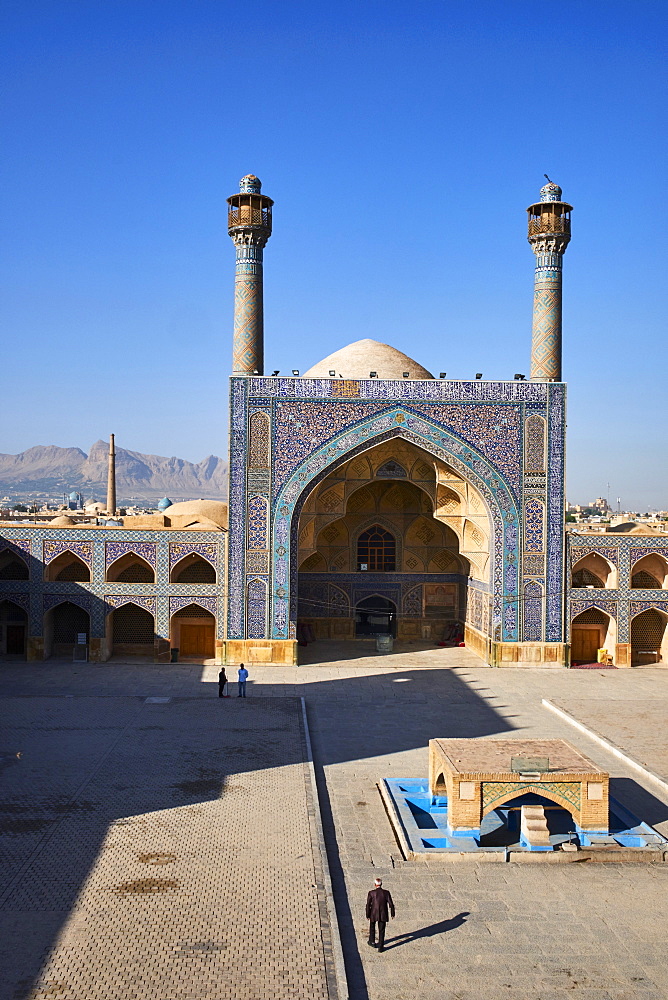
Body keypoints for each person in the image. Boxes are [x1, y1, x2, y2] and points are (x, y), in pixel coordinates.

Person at [366, 877, 395, 952]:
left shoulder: (371, 893)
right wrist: (392, 913)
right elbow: (391, 904)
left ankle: (372, 941)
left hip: (373, 913)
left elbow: (368, 904)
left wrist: (367, 914)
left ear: (375, 884)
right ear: (381, 884)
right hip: (383, 913)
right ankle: (381, 946)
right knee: (381, 930)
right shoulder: (386, 893)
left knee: (372, 927)